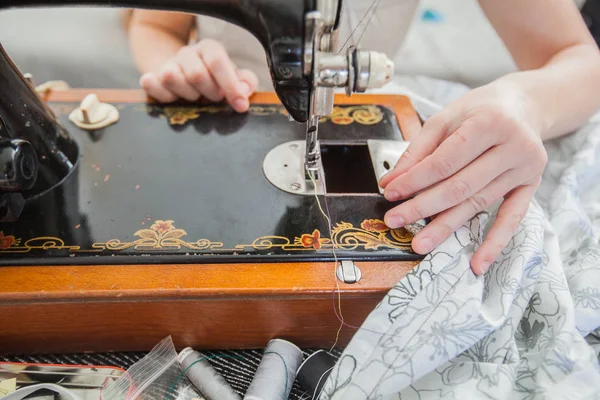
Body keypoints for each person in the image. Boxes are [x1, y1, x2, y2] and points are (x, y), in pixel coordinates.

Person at [127, 1, 600, 276]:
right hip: (220, 106)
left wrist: (526, 103)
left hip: (353, 108)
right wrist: (175, 62)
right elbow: (152, 25)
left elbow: (580, 59)